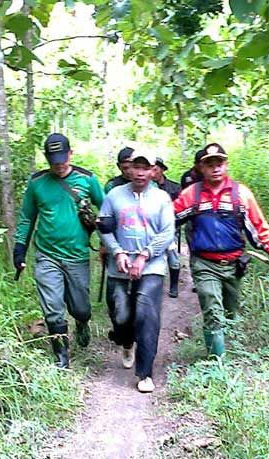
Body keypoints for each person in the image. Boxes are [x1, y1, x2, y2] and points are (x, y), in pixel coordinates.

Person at [173, 143, 269, 357]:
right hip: (204, 263)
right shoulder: (191, 195)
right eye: (209, 164)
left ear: (226, 165)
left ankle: (230, 352)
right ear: (200, 168)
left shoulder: (241, 194)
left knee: (231, 314)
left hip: (233, 264)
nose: (215, 168)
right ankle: (217, 364)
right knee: (213, 310)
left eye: (219, 163)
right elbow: (168, 220)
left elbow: (257, 225)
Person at [14, 133, 104, 368]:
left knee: (80, 308)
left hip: (77, 255)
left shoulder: (87, 180)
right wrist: (19, 249)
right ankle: (62, 358)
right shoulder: (37, 184)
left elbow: (106, 210)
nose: (59, 164)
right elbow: (26, 218)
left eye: (62, 159)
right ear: (47, 158)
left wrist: (108, 242)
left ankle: (82, 323)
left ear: (71, 154)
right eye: (54, 160)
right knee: (53, 309)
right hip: (47, 254)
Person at [98, 150, 175, 393]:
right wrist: (117, 251)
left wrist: (145, 255)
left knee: (146, 314)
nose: (140, 172)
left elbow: (167, 232)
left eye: (146, 167)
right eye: (136, 167)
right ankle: (126, 341)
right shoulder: (114, 195)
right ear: (129, 169)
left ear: (154, 170)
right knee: (121, 315)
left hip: (151, 266)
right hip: (119, 265)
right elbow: (104, 226)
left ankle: (145, 373)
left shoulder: (162, 198)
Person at [154, 157, 182, 298]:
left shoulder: (175, 188)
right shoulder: (147, 188)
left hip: (170, 229)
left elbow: (180, 211)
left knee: (173, 258)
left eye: (156, 168)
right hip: (151, 229)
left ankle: (174, 286)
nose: (153, 172)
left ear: (162, 169)